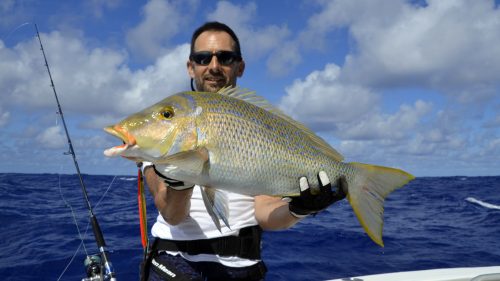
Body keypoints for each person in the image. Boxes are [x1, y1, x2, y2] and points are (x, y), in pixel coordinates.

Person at [141, 21, 346, 281]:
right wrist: (180, 181)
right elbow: (172, 214)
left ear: (240, 66)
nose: (213, 66)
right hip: (174, 263)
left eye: (225, 57)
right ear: (191, 66)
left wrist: (300, 209)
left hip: (244, 267)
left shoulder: (259, 124)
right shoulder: (165, 125)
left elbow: (265, 215)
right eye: (203, 58)